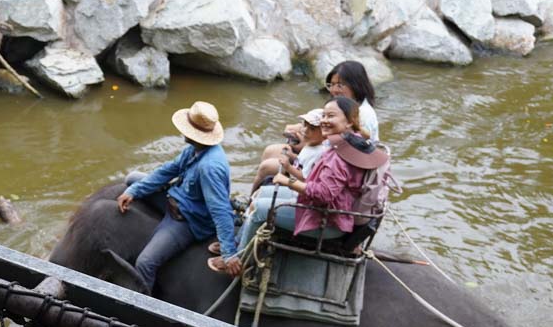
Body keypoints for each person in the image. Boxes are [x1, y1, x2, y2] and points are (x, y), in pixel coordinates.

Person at [217, 96, 388, 266]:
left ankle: (238, 260)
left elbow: (323, 194)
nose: (325, 121)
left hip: (327, 220)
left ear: (350, 122)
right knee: (261, 193)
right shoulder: (352, 141)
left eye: (331, 116)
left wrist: (287, 181)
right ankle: (238, 242)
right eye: (324, 116)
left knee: (260, 210)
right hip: (336, 210)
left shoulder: (339, 156)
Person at [117, 101, 240, 292]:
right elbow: (168, 171)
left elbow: (220, 209)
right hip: (176, 196)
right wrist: (134, 191)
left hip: (187, 219)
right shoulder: (194, 150)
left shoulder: (209, 167)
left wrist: (229, 253)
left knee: (145, 263)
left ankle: (140, 306)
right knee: (132, 179)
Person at [246, 108, 329, 196]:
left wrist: (288, 167)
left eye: (312, 128)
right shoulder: (311, 144)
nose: (305, 130)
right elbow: (302, 162)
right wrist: (292, 155)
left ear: (324, 134)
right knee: (267, 174)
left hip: (297, 188)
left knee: (263, 186)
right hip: (293, 176)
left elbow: (305, 178)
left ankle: (251, 201)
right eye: (305, 125)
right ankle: (250, 197)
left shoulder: (317, 153)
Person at [325, 60, 381, 141]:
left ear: (356, 85)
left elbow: (357, 146)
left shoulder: (364, 114)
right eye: (332, 85)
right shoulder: (340, 107)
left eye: (340, 85)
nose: (334, 90)